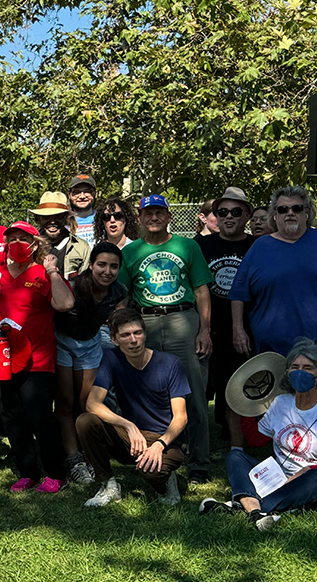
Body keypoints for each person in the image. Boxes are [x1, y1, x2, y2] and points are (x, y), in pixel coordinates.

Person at [118, 194, 214, 483]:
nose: (154, 217)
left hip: (183, 319)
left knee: (194, 394)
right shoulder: (130, 251)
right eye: (148, 213)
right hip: (145, 321)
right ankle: (157, 455)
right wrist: (121, 330)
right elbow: (122, 296)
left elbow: (201, 291)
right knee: (150, 394)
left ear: (169, 216)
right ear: (140, 218)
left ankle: (199, 462)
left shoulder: (187, 246)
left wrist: (205, 330)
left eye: (159, 212)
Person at [0, 221, 75, 493]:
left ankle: (56, 472)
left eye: (23, 239)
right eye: (12, 239)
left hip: (37, 359)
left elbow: (65, 304)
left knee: (40, 415)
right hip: (0, 357)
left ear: (35, 244)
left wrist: (53, 271)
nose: (16, 244)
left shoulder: (43, 274)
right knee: (11, 416)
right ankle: (27, 471)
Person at [77, 309, 189, 507]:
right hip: (132, 438)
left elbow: (181, 417)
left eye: (138, 333)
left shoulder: (170, 363)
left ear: (145, 334)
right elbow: (92, 402)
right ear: (114, 339)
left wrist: (160, 445)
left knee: (151, 471)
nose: (133, 340)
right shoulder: (112, 359)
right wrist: (128, 425)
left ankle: (166, 480)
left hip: (166, 440)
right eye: (125, 335)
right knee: (85, 421)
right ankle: (109, 485)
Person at [204, 338, 317, 531]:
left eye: (308, 368)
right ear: (288, 372)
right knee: (235, 456)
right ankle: (263, 510)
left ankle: (244, 506)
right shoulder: (281, 402)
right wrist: (244, 406)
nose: (300, 372)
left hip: (306, 478)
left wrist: (305, 471)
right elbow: (258, 440)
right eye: (295, 367)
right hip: (275, 475)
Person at [54, 243, 127, 485]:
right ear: (91, 265)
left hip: (90, 345)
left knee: (87, 403)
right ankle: (72, 458)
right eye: (102, 265)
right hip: (62, 343)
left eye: (114, 266)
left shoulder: (119, 292)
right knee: (65, 402)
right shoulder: (73, 285)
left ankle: (88, 454)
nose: (107, 271)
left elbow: (117, 322)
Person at [196, 187, 255, 443]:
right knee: (206, 382)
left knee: (237, 381)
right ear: (215, 216)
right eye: (222, 212)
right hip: (208, 324)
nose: (229, 217)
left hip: (245, 325)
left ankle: (234, 435)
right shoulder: (200, 245)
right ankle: (198, 436)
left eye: (235, 212)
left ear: (247, 216)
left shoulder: (257, 245)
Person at [230, 186, 317, 358]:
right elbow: (238, 294)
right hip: (271, 348)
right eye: (283, 209)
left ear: (306, 213)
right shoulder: (260, 247)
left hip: (314, 347)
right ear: (275, 216)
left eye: (297, 208)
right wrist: (238, 330)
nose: (290, 213)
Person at [30, 191, 90, 280]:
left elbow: (85, 283)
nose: (52, 221)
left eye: (58, 216)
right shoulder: (30, 246)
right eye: (46, 217)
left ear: (66, 218)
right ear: (38, 219)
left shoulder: (81, 247)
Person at [68, 174, 98, 246]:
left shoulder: (105, 219)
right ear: (69, 195)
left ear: (95, 194)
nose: (82, 196)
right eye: (77, 192)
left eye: (87, 191)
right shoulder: (62, 222)